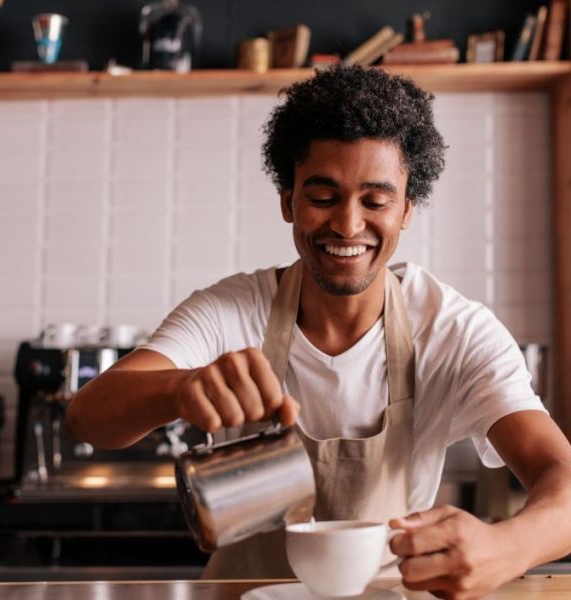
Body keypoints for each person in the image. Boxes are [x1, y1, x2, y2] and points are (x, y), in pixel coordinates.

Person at [66, 65, 571, 599]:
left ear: (406, 211)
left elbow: (559, 471)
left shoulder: (454, 330)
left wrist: (508, 548)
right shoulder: (231, 310)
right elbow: (88, 417)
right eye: (323, 197)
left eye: (375, 201)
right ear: (288, 200)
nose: (348, 226)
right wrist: (178, 388)